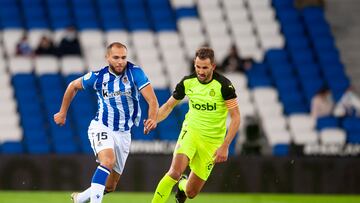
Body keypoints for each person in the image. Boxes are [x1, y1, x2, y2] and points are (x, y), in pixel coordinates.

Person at [54, 42, 158, 203]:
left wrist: (152, 118)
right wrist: (62, 112)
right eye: (116, 57)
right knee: (108, 161)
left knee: (110, 186)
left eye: (123, 57)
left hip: (124, 133)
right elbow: (72, 86)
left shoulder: (135, 72)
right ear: (107, 57)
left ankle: (79, 199)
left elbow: (152, 100)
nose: (120, 61)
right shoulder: (97, 77)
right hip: (102, 126)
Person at [151, 47, 241, 203]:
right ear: (194, 64)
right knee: (174, 172)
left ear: (213, 66)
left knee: (191, 192)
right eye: (198, 67)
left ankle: (182, 186)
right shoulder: (188, 82)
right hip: (191, 132)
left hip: (212, 142)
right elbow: (168, 106)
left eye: (205, 67)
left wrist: (225, 145)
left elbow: (236, 117)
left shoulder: (224, 86)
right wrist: (153, 119)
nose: (200, 71)